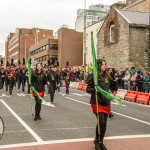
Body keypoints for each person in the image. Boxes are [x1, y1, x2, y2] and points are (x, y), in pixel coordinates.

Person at [86, 59, 114, 150]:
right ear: (98, 65)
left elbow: (112, 87)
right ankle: (97, 141)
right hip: (97, 101)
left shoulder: (108, 76)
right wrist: (94, 90)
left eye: (105, 64)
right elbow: (88, 89)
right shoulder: (94, 76)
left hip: (106, 102)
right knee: (101, 121)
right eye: (102, 64)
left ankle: (101, 142)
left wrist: (111, 93)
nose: (104, 66)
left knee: (104, 123)